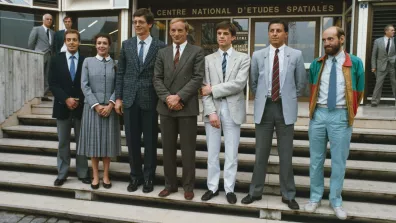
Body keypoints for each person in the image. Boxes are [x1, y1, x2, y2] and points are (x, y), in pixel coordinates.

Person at [241, 19, 306, 210]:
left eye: (279, 30)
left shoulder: (296, 55)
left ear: (286, 33)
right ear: (268, 33)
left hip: (285, 109)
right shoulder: (258, 55)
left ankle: (288, 194)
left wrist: (287, 97)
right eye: (271, 30)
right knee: (261, 153)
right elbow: (253, 83)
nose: (275, 34)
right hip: (265, 108)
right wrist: (264, 97)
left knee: (286, 155)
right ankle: (255, 192)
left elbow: (301, 83)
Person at [304, 26, 364, 220]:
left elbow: (359, 91)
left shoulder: (354, 63)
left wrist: (349, 112)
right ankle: (315, 198)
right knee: (316, 160)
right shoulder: (317, 63)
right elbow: (312, 87)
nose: (326, 43)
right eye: (324, 40)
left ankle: (336, 200)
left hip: (341, 115)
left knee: (338, 161)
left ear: (342, 39)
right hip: (319, 114)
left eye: (330, 39)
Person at [115, 8, 165, 193]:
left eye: (141, 22)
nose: (137, 25)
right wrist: (118, 98)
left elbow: (162, 75)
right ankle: (135, 177)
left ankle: (149, 177)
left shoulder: (160, 47)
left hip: (150, 100)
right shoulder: (127, 44)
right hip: (129, 100)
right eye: (135, 22)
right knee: (132, 141)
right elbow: (120, 73)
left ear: (150, 24)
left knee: (151, 141)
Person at [153, 18, 204, 200]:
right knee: (167, 150)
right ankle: (170, 185)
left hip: (187, 107)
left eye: (179, 30)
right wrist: (168, 98)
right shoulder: (162, 53)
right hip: (166, 108)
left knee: (188, 150)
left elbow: (197, 78)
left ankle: (188, 187)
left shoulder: (197, 51)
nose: (176, 34)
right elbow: (156, 78)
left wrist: (179, 96)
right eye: (173, 30)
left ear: (186, 31)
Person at [200, 21, 250, 204]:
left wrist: (213, 89)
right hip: (213, 111)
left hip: (233, 111)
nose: (221, 36)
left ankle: (229, 189)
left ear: (233, 37)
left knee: (231, 154)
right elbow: (203, 90)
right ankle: (212, 187)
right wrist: (211, 112)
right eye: (219, 33)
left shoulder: (243, 58)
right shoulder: (208, 59)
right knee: (212, 154)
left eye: (225, 34)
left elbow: (238, 84)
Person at [78, 33, 121, 190]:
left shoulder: (115, 63)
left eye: (105, 43)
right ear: (95, 45)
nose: (101, 45)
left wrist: (110, 104)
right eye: (99, 43)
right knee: (94, 144)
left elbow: (118, 85)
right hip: (92, 109)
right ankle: (95, 175)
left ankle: (106, 175)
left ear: (110, 45)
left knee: (107, 144)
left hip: (110, 109)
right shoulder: (88, 62)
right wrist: (96, 105)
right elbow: (84, 85)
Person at [48, 29, 90, 186]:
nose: (71, 42)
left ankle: (83, 172)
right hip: (62, 107)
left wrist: (78, 100)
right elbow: (52, 83)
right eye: (69, 39)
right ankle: (62, 173)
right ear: (65, 42)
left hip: (81, 108)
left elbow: (87, 83)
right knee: (63, 142)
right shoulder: (55, 60)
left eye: (74, 39)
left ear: (79, 42)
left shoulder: (86, 60)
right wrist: (66, 99)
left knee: (82, 142)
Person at [28, 13, 55, 101]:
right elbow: (31, 43)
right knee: (38, 74)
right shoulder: (36, 29)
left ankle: (44, 94)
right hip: (39, 55)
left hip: (49, 56)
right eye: (47, 19)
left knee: (47, 75)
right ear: (43, 20)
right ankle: (35, 94)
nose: (49, 21)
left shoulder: (52, 32)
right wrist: (34, 54)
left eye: (51, 19)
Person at [371, 25, 396, 107]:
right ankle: (374, 101)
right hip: (381, 65)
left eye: (393, 30)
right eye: (392, 30)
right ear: (386, 31)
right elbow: (374, 55)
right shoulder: (378, 41)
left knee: (394, 83)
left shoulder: (395, 40)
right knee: (378, 83)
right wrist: (373, 66)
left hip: (392, 65)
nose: (393, 31)